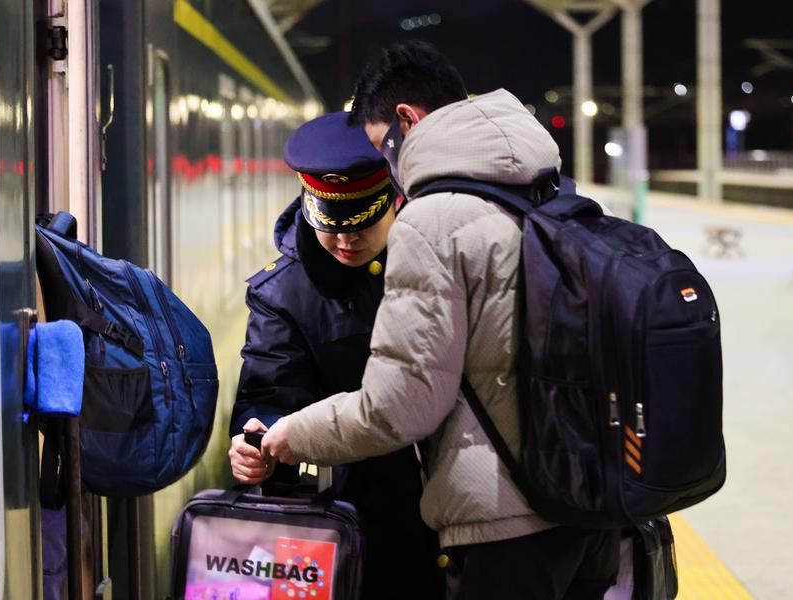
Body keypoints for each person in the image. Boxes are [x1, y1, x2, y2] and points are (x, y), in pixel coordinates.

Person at [262, 41, 620, 599]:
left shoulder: (433, 218)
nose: (389, 167)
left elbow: (401, 407)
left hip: (504, 524)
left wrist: (292, 435)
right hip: (586, 503)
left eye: (383, 149)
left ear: (407, 121)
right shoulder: (549, 191)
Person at [228, 111, 443, 599]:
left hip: (464, 511)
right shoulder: (283, 293)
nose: (346, 238)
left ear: (395, 198)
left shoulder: (441, 258)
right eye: (331, 222)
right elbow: (270, 389)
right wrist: (254, 442)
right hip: (366, 523)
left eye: (362, 221)